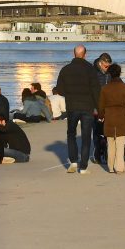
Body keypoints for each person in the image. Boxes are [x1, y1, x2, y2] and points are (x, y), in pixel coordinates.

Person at [55, 44, 100, 174]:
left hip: (72, 106)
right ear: (85, 54)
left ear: (73, 53)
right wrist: (100, 109)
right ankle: (84, 167)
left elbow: (60, 90)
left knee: (71, 134)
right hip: (87, 106)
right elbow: (96, 91)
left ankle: (73, 161)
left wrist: (70, 93)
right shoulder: (91, 70)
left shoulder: (65, 69)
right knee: (86, 136)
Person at [98, 62, 125, 174]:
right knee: (120, 145)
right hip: (123, 118)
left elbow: (101, 106)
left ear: (110, 74)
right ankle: (119, 168)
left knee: (110, 144)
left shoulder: (105, 89)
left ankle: (110, 167)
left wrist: (101, 116)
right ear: (120, 73)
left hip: (109, 118)